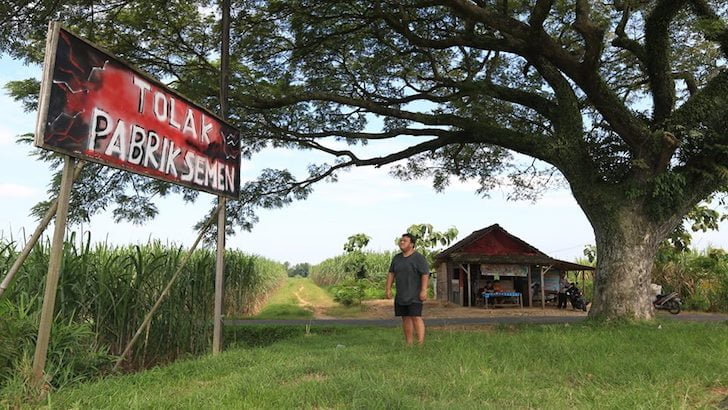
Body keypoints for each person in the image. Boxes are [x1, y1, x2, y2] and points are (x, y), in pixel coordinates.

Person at [385, 233, 429, 345]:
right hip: (401, 294)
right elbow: (391, 273)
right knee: (405, 318)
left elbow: (425, 274)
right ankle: (409, 343)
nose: (402, 242)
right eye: (401, 240)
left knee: (415, 317)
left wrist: (424, 290)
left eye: (405, 241)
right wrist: (388, 289)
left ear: (412, 244)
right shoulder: (397, 258)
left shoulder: (419, 258)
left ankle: (420, 344)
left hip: (415, 294)